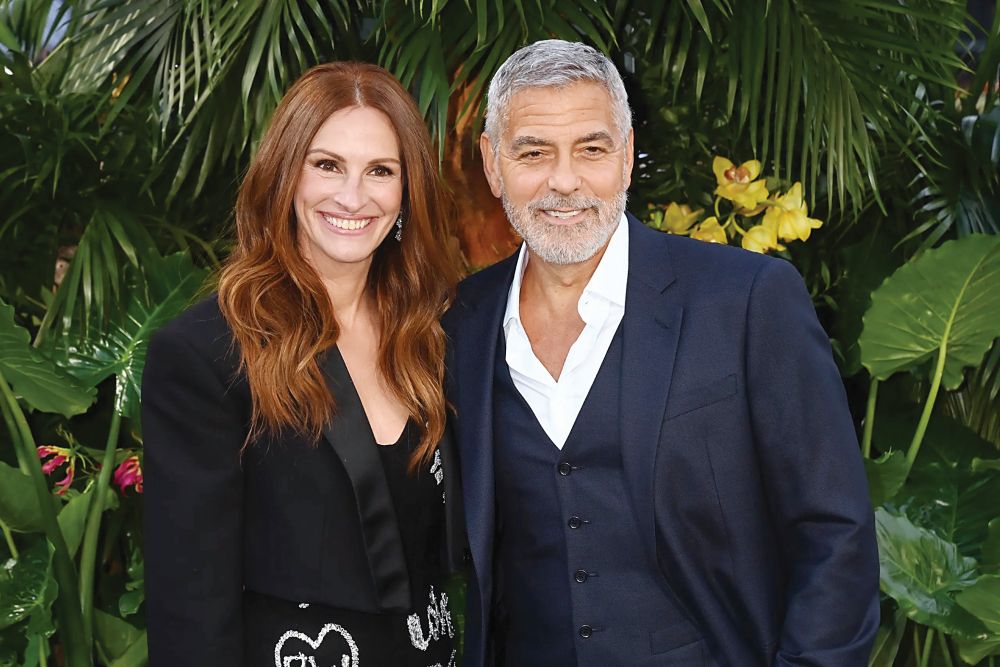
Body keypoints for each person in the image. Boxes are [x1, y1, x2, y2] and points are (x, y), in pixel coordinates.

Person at [443, 40, 880, 666]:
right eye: (533, 152)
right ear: (492, 164)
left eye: (591, 149)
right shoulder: (461, 323)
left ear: (626, 157)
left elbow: (834, 530)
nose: (563, 181)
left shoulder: (746, 300)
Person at [142, 62, 462, 667]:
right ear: (285, 175)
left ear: (407, 191)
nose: (353, 196)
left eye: (381, 170)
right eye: (327, 165)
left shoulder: (432, 333)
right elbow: (189, 605)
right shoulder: (209, 353)